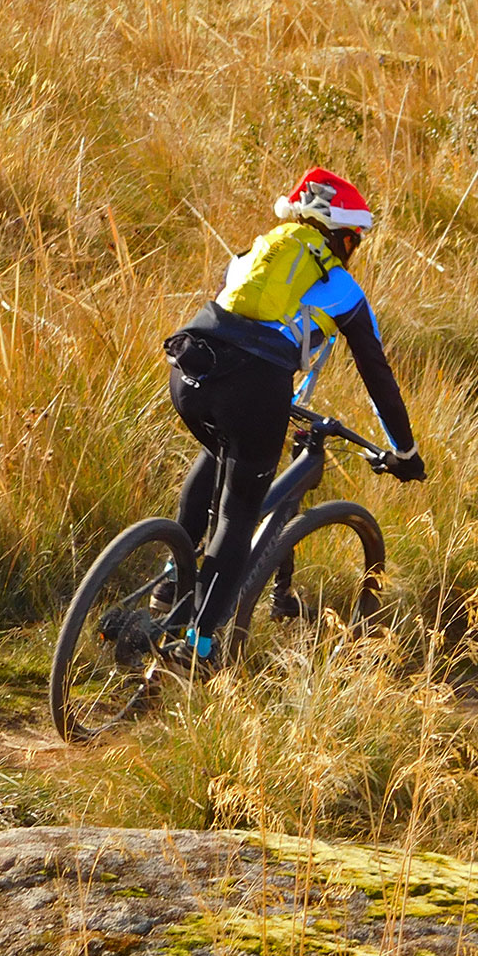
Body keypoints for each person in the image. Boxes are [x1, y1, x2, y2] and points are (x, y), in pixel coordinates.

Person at [159, 168, 425, 665]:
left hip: (192, 365)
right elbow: (378, 377)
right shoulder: (341, 287)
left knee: (218, 450)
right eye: (355, 240)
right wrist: (404, 451)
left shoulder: (255, 253)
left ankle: (171, 582)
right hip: (254, 386)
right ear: (341, 236)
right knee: (239, 515)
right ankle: (198, 646)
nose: (354, 249)